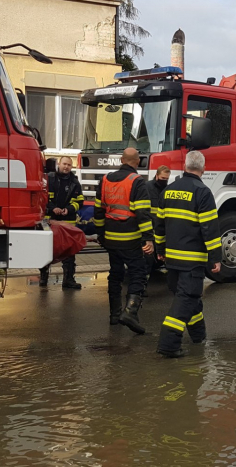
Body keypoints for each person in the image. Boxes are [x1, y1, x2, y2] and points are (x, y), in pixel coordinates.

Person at [154, 150, 222, 358]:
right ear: (203, 169)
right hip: (192, 261)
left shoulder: (168, 191)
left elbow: (159, 224)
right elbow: (209, 229)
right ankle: (169, 344)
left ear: (184, 167)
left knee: (190, 299)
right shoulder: (203, 192)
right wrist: (216, 258)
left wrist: (160, 250)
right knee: (187, 298)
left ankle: (199, 336)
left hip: (172, 259)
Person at [95, 147, 154, 332]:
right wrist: (148, 239)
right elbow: (143, 213)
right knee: (138, 273)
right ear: (137, 162)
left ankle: (114, 315)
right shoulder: (136, 181)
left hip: (111, 238)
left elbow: (99, 210)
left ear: (122, 160)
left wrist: (101, 234)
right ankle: (130, 312)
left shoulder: (104, 180)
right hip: (130, 238)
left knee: (115, 273)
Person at [39, 156, 85, 289]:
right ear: (59, 164)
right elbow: (43, 198)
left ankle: (68, 280)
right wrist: (53, 208)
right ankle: (43, 277)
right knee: (46, 250)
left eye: (69, 165)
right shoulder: (49, 179)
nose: (66, 167)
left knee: (69, 252)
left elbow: (79, 201)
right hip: (50, 220)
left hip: (68, 221)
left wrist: (68, 209)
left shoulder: (74, 182)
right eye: (64, 164)